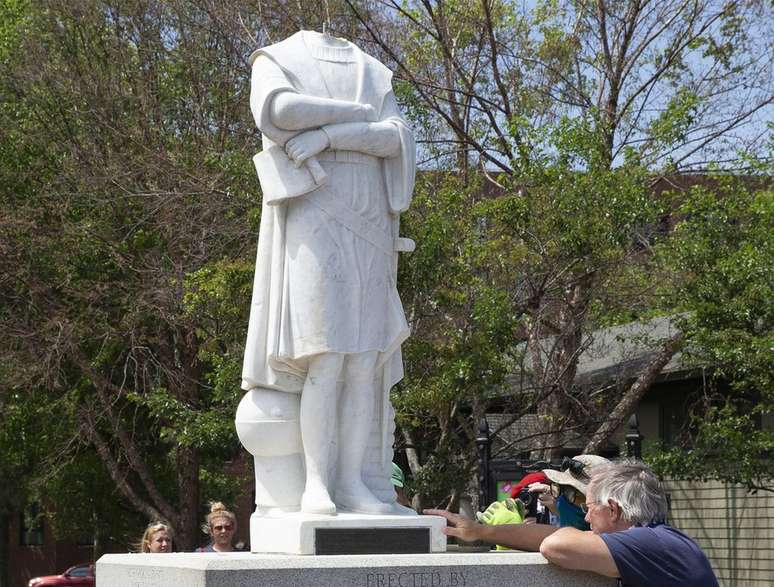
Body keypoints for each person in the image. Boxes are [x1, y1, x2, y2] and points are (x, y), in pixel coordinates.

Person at [241, 30, 415, 515]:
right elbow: (278, 113)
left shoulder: (371, 70)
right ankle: (316, 484)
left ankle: (351, 482)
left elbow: (395, 137)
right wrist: (355, 116)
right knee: (326, 357)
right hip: (315, 210)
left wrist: (327, 135)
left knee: (364, 362)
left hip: (371, 213)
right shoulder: (277, 57)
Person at [425, 460, 718, 587]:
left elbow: (556, 544)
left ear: (613, 509)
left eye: (588, 507)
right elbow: (552, 535)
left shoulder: (652, 545)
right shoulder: (659, 542)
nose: (586, 517)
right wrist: (481, 531)